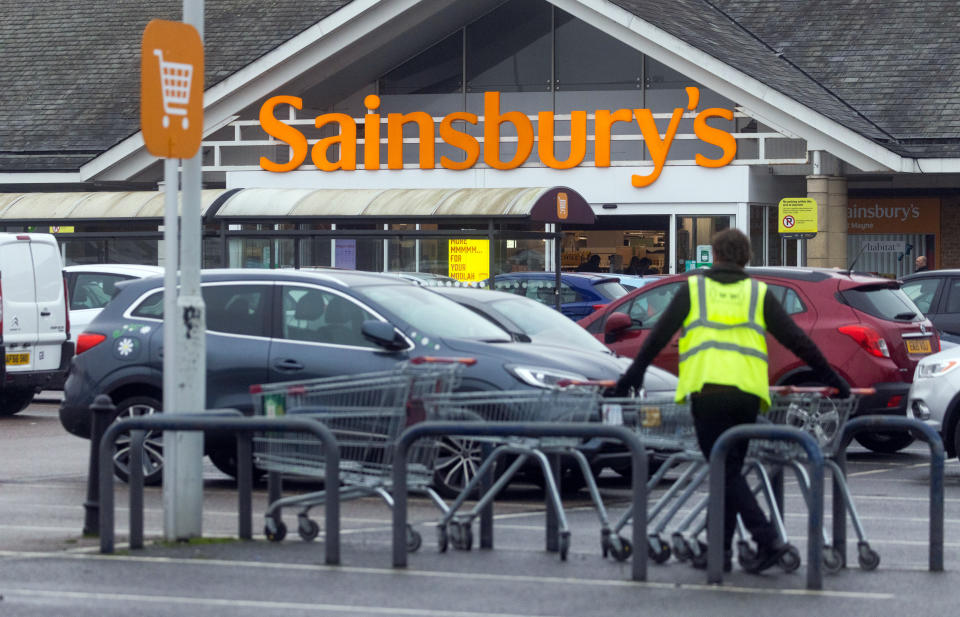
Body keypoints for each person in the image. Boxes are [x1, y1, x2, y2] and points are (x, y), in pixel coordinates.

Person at [614, 228, 849, 574]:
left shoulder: (694, 290)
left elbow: (658, 337)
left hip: (708, 395)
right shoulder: (757, 293)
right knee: (730, 472)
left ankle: (769, 540)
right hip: (747, 397)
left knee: (724, 471)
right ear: (746, 258)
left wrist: (632, 376)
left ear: (716, 254)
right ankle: (718, 551)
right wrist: (834, 379)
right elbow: (797, 341)